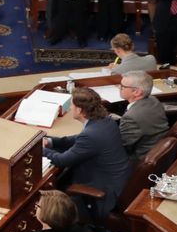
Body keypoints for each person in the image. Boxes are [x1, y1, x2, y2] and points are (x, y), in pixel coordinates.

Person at [43, 88, 132, 221]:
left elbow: (61, 161)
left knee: (57, 181)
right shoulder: (105, 121)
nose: (71, 108)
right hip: (118, 180)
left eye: (72, 105)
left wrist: (40, 149)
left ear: (79, 110)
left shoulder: (91, 134)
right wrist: (50, 142)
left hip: (104, 192)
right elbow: (78, 139)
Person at [114, 71, 168, 156]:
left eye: (122, 86)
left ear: (137, 92)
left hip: (139, 158)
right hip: (157, 150)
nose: (119, 88)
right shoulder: (153, 100)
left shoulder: (130, 118)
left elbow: (121, 147)